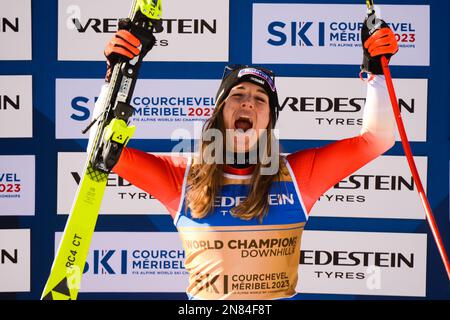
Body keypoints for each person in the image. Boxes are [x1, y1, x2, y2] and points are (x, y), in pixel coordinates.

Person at [90, 15, 398, 300]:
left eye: (260, 99)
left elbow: (377, 139)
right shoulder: (184, 176)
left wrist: (375, 72)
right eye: (237, 94)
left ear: (268, 120)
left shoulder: (298, 174)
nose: (248, 103)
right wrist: (116, 74)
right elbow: (101, 151)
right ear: (221, 111)